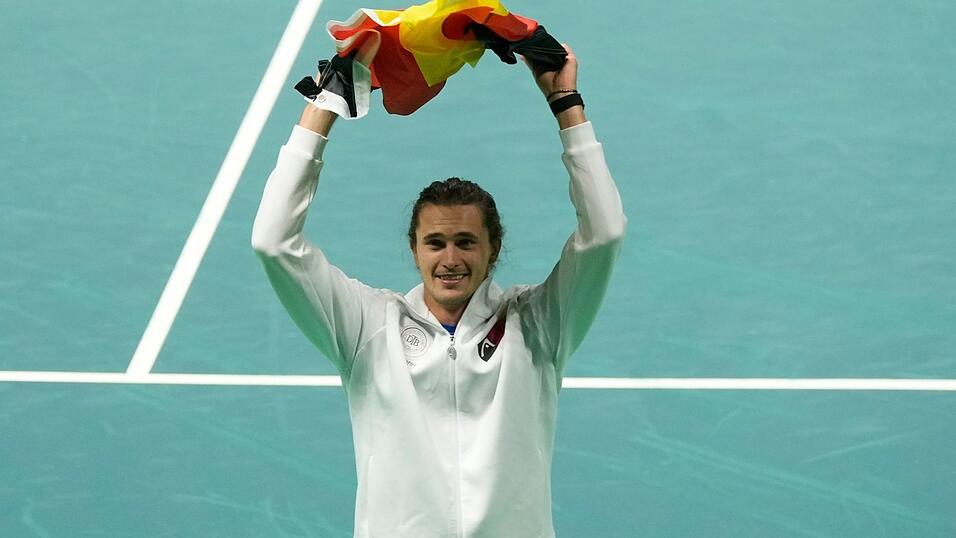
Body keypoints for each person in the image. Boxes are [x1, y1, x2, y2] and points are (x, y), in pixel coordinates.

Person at [251, 45, 625, 538]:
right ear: (415, 250)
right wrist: (324, 107)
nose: (450, 259)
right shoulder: (367, 327)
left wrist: (566, 104)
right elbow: (273, 242)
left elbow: (604, 234)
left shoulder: (537, 326)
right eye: (436, 243)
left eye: (466, 243)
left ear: (494, 250)